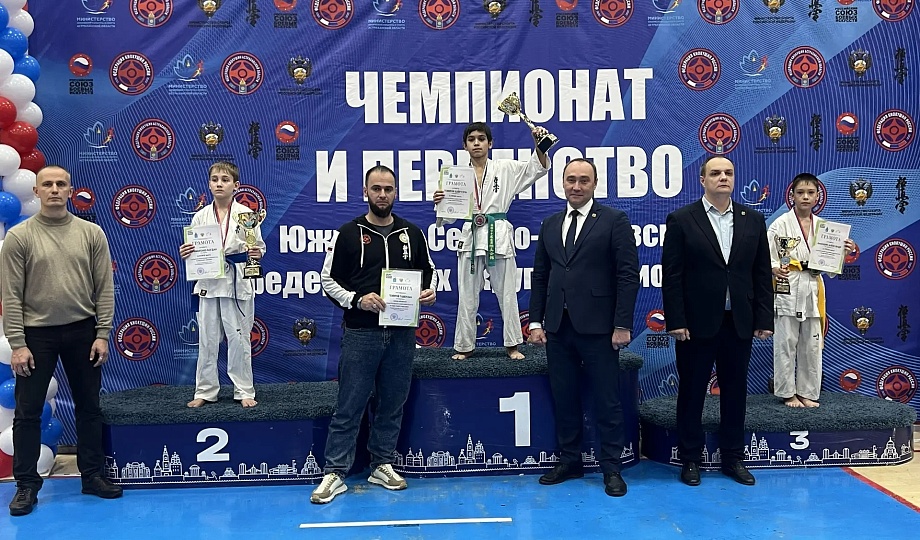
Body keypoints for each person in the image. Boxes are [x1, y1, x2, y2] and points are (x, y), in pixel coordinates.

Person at [312, 165, 437, 504]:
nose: (383, 194)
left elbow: (430, 273)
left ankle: (381, 463)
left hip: (401, 334)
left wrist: (429, 291)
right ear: (365, 192)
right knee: (349, 404)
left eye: (388, 189)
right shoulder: (348, 233)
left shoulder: (412, 233)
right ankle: (335, 472)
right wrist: (357, 299)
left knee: (392, 402)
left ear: (396, 192)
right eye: (376, 188)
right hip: (361, 333)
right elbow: (327, 280)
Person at [1, 165, 121, 516]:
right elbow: (11, 295)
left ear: (70, 191)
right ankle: (26, 485)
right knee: (27, 412)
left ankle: (93, 475)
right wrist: (17, 343)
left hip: (83, 332)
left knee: (89, 407)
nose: (54, 189)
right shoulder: (19, 237)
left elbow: (104, 288)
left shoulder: (91, 233)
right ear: (36, 192)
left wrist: (102, 334)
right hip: (36, 336)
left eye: (61, 184)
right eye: (48, 184)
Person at [528, 158, 639, 497]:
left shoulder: (614, 220)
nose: (576, 186)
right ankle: (570, 461)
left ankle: (611, 468)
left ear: (594, 184)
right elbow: (541, 276)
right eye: (571, 180)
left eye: (583, 180)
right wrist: (536, 321)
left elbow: (627, 275)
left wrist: (622, 324)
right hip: (558, 328)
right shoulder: (550, 224)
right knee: (564, 398)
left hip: (600, 328)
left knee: (607, 400)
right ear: (562, 182)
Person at [661, 155, 773, 487]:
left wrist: (763, 317)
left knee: (735, 392)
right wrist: (676, 319)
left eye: (728, 173)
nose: (723, 177)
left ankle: (733, 458)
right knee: (692, 391)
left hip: (739, 321)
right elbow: (672, 275)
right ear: (702, 180)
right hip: (695, 324)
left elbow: (761, 273)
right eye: (715, 173)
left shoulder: (753, 220)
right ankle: (690, 459)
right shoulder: (682, 219)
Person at [433, 122, 549, 360]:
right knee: (467, 295)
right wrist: (442, 202)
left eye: (481, 139)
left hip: (499, 235)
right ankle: (464, 346)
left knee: (507, 293)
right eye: (471, 139)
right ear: (464, 145)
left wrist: (539, 145)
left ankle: (513, 344)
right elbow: (449, 215)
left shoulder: (505, 168)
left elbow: (534, 169)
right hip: (471, 237)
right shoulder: (457, 177)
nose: (477, 143)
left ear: (490, 143)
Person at [178, 161, 265, 409]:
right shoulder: (200, 216)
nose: (219, 184)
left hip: (236, 282)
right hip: (208, 283)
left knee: (239, 338)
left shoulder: (247, 215)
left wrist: (256, 253)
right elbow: (195, 251)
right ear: (209, 184)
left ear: (236, 186)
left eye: (225, 180)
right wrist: (187, 253)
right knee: (207, 339)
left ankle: (244, 390)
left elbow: (258, 247)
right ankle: (205, 390)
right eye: (215, 179)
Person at [768, 173, 855, 408]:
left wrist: (843, 252)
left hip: (812, 287)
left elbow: (830, 267)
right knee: (785, 343)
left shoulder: (826, 229)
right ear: (792, 196)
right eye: (800, 193)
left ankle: (807, 392)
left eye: (810, 193)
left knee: (812, 345)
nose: (805, 197)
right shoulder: (780, 224)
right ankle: (787, 393)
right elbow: (767, 257)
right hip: (788, 286)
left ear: (818, 196)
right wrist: (774, 268)